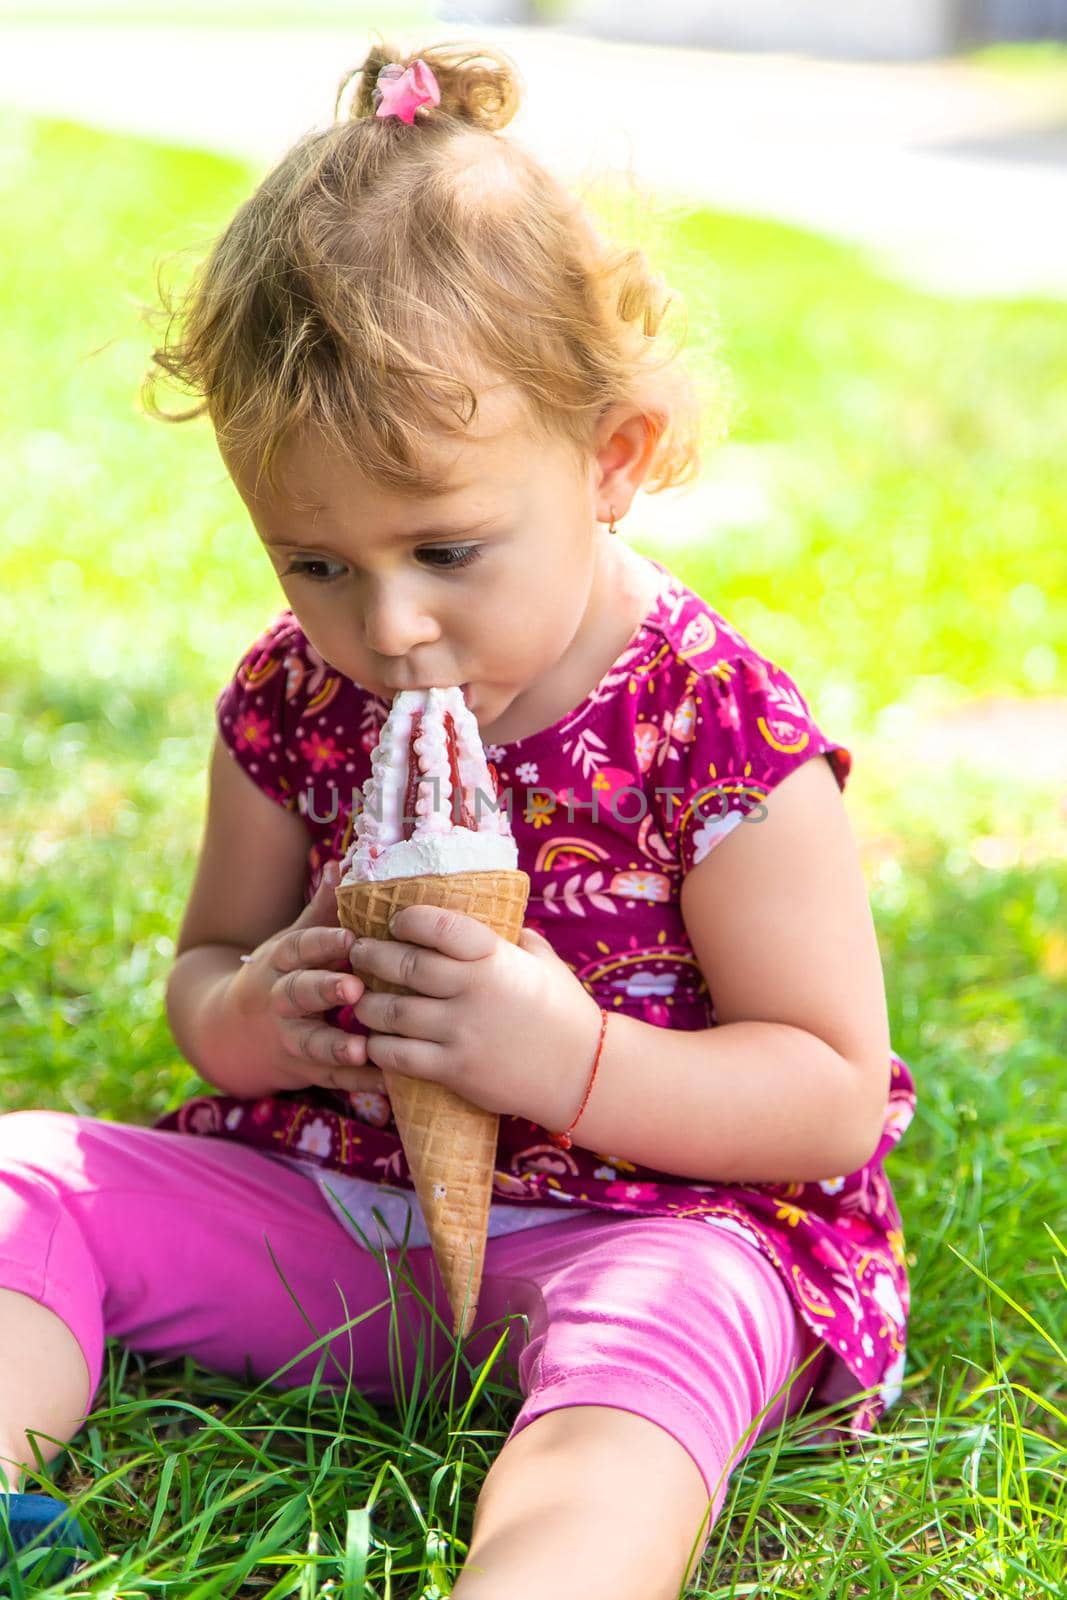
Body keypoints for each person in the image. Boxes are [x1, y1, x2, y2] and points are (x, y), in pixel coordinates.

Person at [0, 39, 917, 1598]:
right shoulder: (293, 701)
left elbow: (829, 1097)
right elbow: (205, 980)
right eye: (318, 562)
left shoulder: (714, 727)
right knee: (23, 1178)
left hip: (643, 1231)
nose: (390, 627)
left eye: (446, 548)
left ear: (612, 458)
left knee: (667, 1334)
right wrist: (257, 1010)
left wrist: (566, 1059)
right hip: (335, 1222)